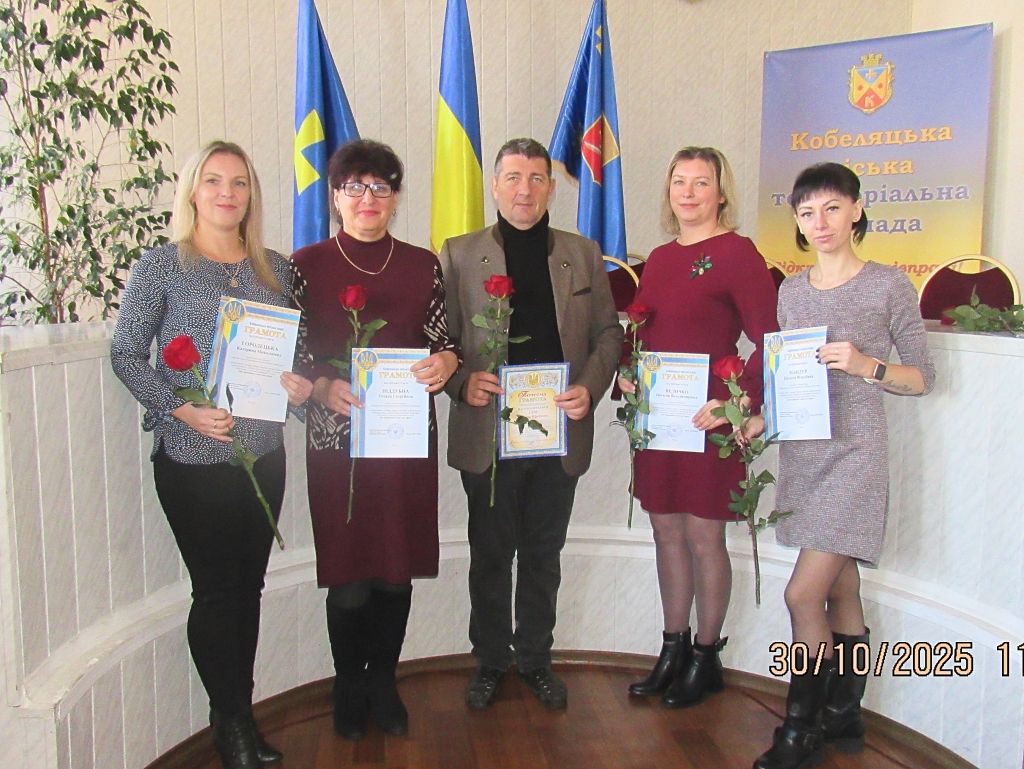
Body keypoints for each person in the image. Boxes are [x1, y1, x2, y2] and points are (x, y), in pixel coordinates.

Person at [111, 141, 313, 769]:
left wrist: (299, 390)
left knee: (247, 589)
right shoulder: (162, 266)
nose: (228, 193)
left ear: (252, 195)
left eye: (240, 183)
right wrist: (182, 409)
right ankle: (232, 723)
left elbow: (296, 359)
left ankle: (236, 716)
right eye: (214, 181)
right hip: (193, 461)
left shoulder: (276, 270)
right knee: (217, 592)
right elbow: (126, 354)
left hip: (264, 457)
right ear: (193, 192)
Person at [748, 162, 934, 769]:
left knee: (802, 593)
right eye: (807, 213)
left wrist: (865, 365)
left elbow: (923, 377)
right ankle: (845, 713)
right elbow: (787, 377)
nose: (820, 222)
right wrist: (761, 420)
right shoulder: (792, 290)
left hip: (857, 453)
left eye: (831, 208)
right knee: (841, 585)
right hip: (804, 453)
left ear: (856, 209)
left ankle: (800, 731)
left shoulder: (888, 285)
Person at [438, 137, 622, 711]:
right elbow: (439, 340)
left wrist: (589, 387)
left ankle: (537, 659)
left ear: (551, 187)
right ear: (495, 186)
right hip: (488, 432)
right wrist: (460, 380)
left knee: (544, 553)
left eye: (537, 178)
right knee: (491, 555)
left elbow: (608, 333)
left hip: (557, 430)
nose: (525, 190)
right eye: (513, 178)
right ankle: (491, 660)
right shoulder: (458, 254)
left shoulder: (582, 253)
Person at [290, 139, 460, 740]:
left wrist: (447, 361)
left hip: (403, 443)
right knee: (349, 577)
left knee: (393, 572)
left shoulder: (421, 265)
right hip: (336, 445)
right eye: (354, 187)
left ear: (394, 197)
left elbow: (444, 339)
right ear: (335, 197)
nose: (368, 198)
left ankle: (383, 681)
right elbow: (292, 352)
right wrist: (319, 386)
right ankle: (348, 683)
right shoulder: (304, 265)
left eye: (380, 187)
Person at [618, 147, 779, 707]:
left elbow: (769, 338)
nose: (688, 193)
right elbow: (641, 332)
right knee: (665, 531)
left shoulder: (738, 253)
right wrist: (628, 372)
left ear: (720, 192)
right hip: (661, 421)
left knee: (705, 537)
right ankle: (673, 647)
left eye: (701, 182)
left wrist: (739, 402)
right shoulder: (660, 259)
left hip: (710, 419)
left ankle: (707, 656)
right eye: (679, 182)